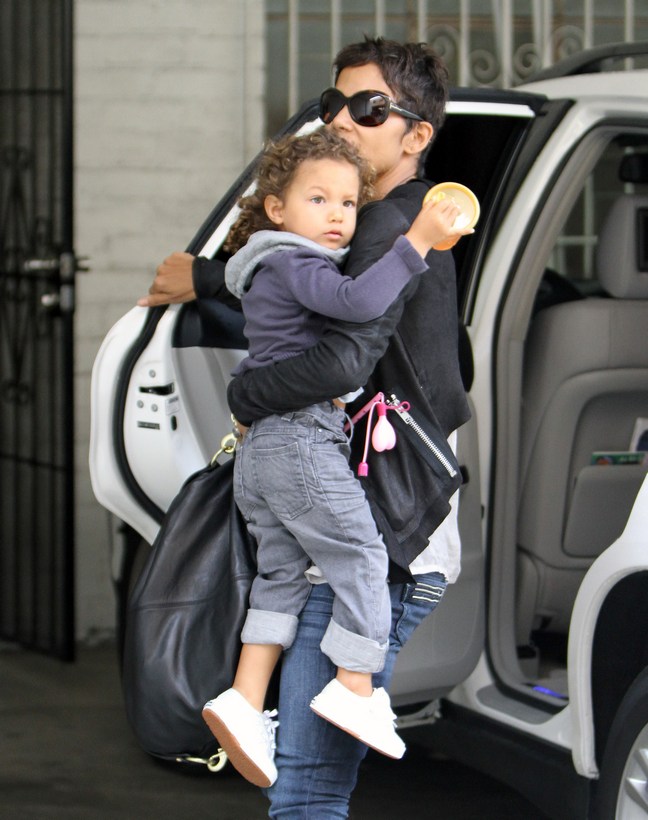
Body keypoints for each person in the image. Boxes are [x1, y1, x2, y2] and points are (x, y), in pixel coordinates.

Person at [140, 37, 471, 819]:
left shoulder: (396, 228)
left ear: (416, 135)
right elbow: (294, 277)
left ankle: (295, 698)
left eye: (367, 108)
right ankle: (255, 703)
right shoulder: (366, 230)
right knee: (303, 781)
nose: (342, 121)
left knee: (308, 786)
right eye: (334, 104)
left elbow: (338, 362)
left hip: (388, 534)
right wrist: (219, 277)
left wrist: (248, 396)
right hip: (359, 513)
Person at [200, 128, 469, 789]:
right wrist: (414, 245)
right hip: (301, 442)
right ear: (276, 209)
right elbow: (357, 304)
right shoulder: (299, 265)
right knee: (362, 556)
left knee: (281, 581)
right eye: (318, 199)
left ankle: (242, 695)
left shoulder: (262, 270)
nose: (338, 215)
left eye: (349, 203)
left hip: (263, 453)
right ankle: (354, 687)